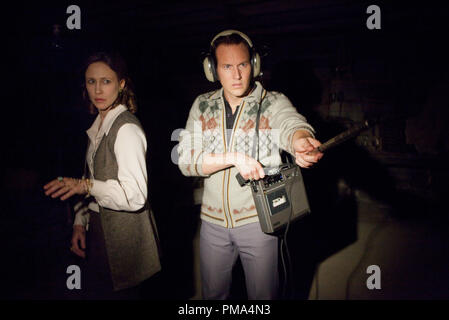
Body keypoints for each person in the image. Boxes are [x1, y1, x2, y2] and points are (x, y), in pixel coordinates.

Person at [177, 30, 323, 300]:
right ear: (212, 69)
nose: (236, 75)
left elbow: (291, 123)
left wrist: (301, 141)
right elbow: (186, 160)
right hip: (212, 225)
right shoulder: (202, 105)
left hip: (258, 223)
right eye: (227, 66)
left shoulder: (273, 102)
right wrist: (233, 158)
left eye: (243, 65)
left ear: (254, 65)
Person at [44, 52, 161, 299]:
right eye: (91, 81)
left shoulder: (126, 128)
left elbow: (135, 196)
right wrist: (80, 222)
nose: (97, 89)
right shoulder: (98, 125)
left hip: (124, 242)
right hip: (99, 233)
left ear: (121, 84)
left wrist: (86, 186)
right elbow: (90, 181)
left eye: (106, 81)